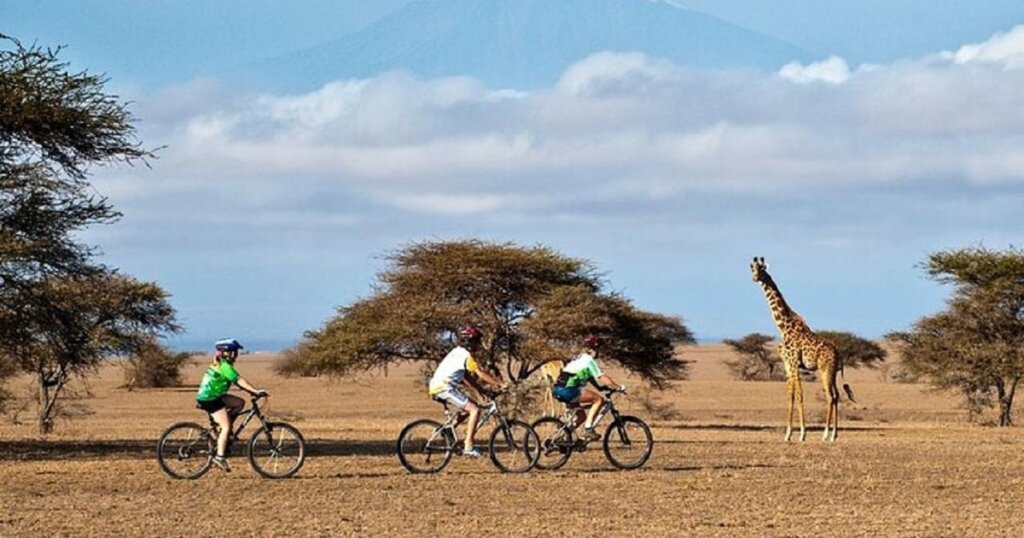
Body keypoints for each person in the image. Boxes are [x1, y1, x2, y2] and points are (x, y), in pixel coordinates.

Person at [428, 325, 506, 457]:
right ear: (469, 341)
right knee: (475, 410)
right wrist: (500, 383)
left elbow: (467, 377)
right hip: (444, 387)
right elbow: (480, 374)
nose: (478, 344)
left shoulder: (457, 352)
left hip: (440, 386)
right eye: (476, 341)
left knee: (468, 407)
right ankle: (468, 446)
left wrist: (481, 391)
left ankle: (448, 429)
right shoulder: (466, 356)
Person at [195, 338, 266, 472]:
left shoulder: (220, 362)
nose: (236, 356)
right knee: (226, 426)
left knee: (240, 403)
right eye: (234, 352)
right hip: (210, 399)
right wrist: (254, 391)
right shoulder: (225, 367)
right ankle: (220, 457)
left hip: (214, 395)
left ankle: (226, 432)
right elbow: (239, 381)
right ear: (227, 353)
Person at [551, 335, 626, 441]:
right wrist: (618, 387)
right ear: (593, 349)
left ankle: (559, 438)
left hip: (559, 389)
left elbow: (590, 376)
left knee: (581, 417)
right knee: (598, 400)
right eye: (598, 348)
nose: (599, 352)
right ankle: (588, 429)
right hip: (568, 390)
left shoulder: (579, 358)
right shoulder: (589, 360)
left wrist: (599, 388)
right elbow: (602, 377)